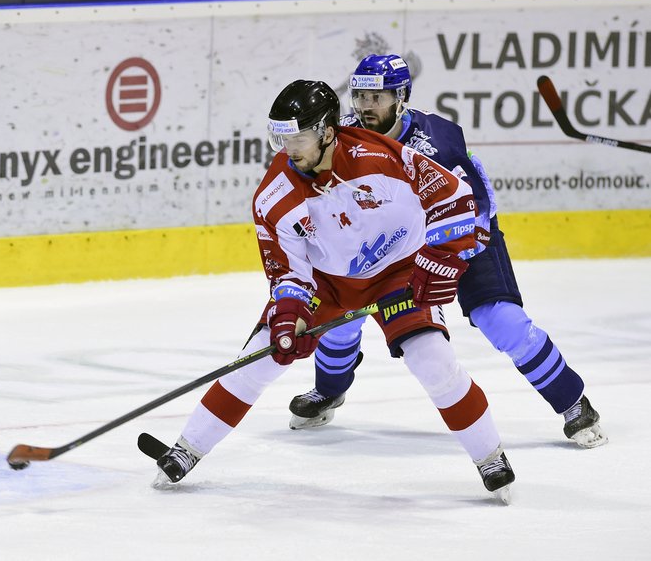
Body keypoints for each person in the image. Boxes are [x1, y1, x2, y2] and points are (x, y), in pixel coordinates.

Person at [153, 79, 515, 499]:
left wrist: (442, 259)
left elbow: (454, 197)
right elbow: (288, 273)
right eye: (281, 137)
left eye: (299, 136)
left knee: (432, 359)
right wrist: (290, 313)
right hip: (329, 284)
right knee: (259, 357)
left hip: (399, 272)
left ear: (327, 131)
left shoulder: (381, 156)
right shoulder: (274, 197)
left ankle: (490, 456)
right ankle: (186, 449)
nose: (289, 148)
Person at [288, 54, 606, 449]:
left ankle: (573, 402)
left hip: (463, 235)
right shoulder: (345, 135)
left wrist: (447, 260)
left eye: (378, 97)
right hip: (396, 244)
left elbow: (477, 205)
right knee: (339, 314)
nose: (366, 107)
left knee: (501, 320)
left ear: (401, 96)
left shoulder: (436, 141)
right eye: (360, 97)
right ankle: (328, 390)